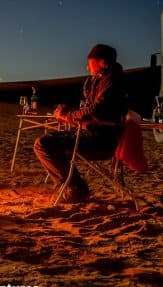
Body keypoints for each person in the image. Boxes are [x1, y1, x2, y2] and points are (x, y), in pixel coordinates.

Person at [33, 44, 127, 203]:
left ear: (102, 62)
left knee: (43, 145)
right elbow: (90, 108)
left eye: (90, 63)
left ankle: (75, 188)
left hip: (101, 140)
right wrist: (69, 111)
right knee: (47, 141)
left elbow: (95, 111)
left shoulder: (111, 81)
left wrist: (68, 116)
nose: (87, 67)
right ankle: (73, 186)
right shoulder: (103, 79)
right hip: (95, 134)